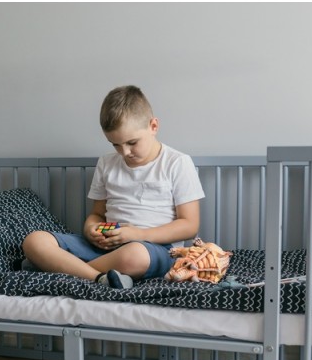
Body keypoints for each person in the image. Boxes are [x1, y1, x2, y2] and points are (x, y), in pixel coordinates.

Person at [22, 85, 205, 288]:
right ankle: (99, 277)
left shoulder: (177, 162)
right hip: (107, 246)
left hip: (155, 248)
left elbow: (189, 225)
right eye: (115, 144)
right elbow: (97, 214)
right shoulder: (106, 163)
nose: (124, 152)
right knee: (34, 240)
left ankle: (56, 267)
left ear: (153, 126)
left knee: (134, 255)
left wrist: (139, 235)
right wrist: (90, 229)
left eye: (132, 142)